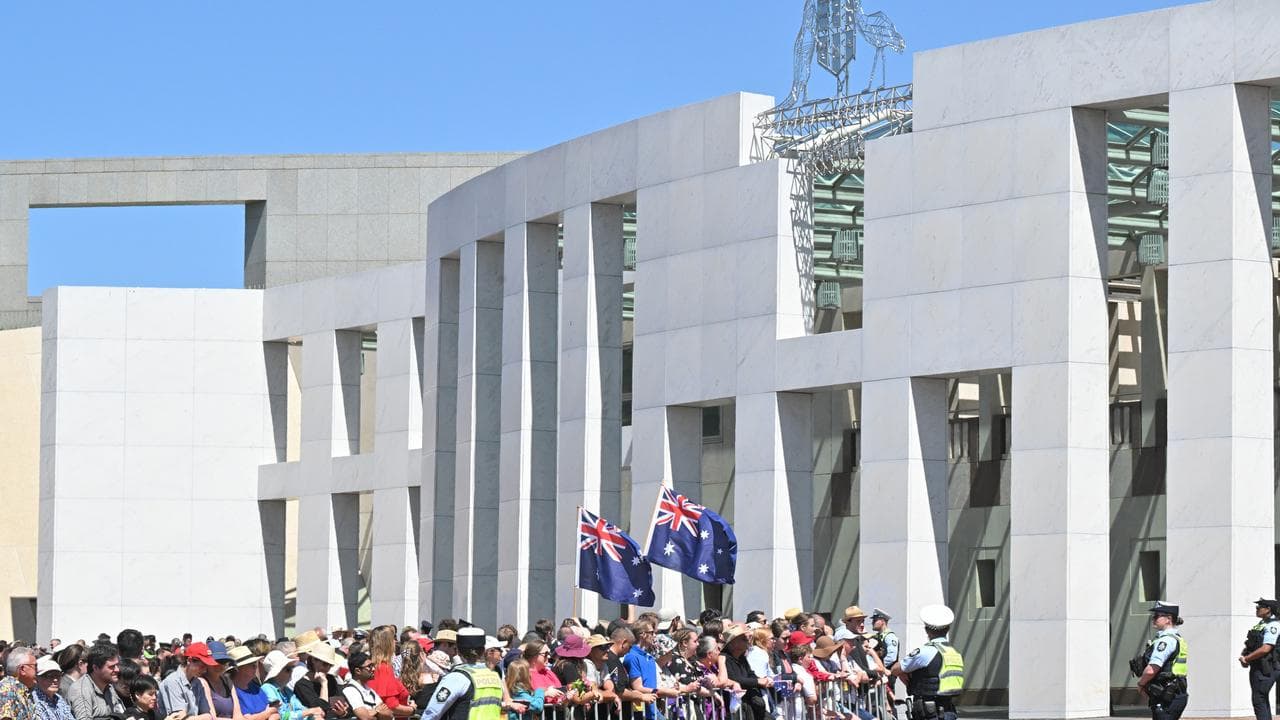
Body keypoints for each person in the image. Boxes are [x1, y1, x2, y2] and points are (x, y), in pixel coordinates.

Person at [420, 627, 517, 720]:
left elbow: (432, 712)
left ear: (458, 651)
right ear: (483, 650)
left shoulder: (457, 678)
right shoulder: (495, 676)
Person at [892, 605, 964, 720]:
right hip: (949, 710)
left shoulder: (925, 652)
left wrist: (902, 673)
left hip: (928, 712)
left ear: (926, 630)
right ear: (948, 629)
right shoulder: (954, 653)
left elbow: (895, 669)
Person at [1130, 601, 1187, 720]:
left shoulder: (1165, 641)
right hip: (1172, 694)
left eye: (1157, 616)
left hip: (1167, 697)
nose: (1153, 619)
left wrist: (1141, 684)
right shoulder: (1174, 638)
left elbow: (1152, 670)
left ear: (1168, 619)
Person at [721, 627, 772, 720]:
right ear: (732, 643)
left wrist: (763, 681)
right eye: (743, 639)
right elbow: (734, 678)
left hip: (751, 703)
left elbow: (750, 673)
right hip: (736, 705)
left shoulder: (742, 658)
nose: (748, 641)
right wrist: (757, 681)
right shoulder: (724, 658)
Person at [1241, 599, 1280, 720]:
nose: (1256, 609)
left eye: (1259, 607)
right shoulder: (1261, 624)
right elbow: (1253, 643)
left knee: (1259, 699)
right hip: (1258, 667)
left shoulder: (1273, 625)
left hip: (1267, 668)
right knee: (1261, 699)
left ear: (1268, 609)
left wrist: (1247, 658)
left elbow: (1265, 648)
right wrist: (1245, 655)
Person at [157, 642, 216, 720]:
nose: (205, 670)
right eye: (202, 666)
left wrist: (190, 718)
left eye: (206, 667)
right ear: (189, 660)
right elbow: (178, 717)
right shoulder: (173, 682)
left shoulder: (198, 683)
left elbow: (208, 716)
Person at [67, 643, 125, 720]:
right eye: (112, 667)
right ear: (95, 668)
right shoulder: (81, 691)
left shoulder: (109, 686)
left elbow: (121, 711)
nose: (117, 670)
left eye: (117, 665)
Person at [365, 628, 413, 718]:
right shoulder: (383, 668)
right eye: (393, 639)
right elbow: (391, 706)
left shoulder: (372, 665)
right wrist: (412, 710)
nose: (395, 642)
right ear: (387, 644)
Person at [292, 643, 348, 720]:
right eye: (325, 664)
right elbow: (320, 710)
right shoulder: (301, 685)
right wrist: (324, 684)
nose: (328, 668)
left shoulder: (331, 679)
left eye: (330, 665)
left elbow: (340, 702)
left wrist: (342, 712)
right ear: (313, 660)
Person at [260, 651, 322, 720]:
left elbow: (300, 708)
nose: (292, 672)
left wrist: (313, 715)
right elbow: (281, 715)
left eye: (292, 668)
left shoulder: (286, 689)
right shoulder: (267, 688)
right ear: (276, 673)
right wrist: (309, 712)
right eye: (288, 669)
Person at [194, 643, 243, 720]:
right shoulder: (202, 682)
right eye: (216, 661)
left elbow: (238, 714)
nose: (219, 665)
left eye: (223, 662)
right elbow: (212, 717)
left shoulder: (227, 681)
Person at [226, 648, 275, 720]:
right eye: (252, 664)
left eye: (255, 664)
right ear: (238, 668)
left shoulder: (255, 687)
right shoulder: (232, 691)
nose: (256, 667)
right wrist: (269, 712)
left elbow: (275, 713)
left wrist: (270, 713)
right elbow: (247, 718)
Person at [339, 652, 390, 720]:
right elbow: (365, 717)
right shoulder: (350, 690)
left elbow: (389, 715)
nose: (373, 669)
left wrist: (372, 713)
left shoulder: (370, 691)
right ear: (358, 671)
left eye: (373, 665)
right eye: (369, 666)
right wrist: (377, 710)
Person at [0, 647, 38, 720]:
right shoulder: (6, 691)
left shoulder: (24, 690)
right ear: (23, 669)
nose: (38, 670)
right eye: (35, 666)